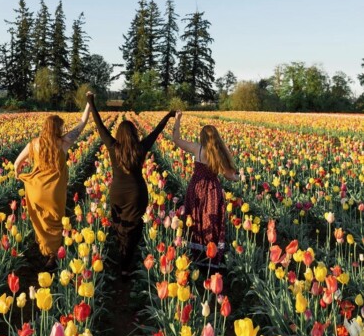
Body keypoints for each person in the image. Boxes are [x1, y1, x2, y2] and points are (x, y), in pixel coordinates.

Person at [86, 92, 175, 278]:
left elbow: (100, 125)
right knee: (134, 226)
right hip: (137, 192)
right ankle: (128, 264)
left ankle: (121, 256)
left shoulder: (113, 147)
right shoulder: (140, 148)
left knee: (119, 225)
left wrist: (91, 101)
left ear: (119, 134)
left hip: (118, 192)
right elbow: (157, 131)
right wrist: (168, 115)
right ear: (134, 134)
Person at [14, 103, 91, 269]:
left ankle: (42, 246)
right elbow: (82, 123)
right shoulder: (64, 143)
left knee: (40, 218)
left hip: (36, 189)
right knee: (56, 223)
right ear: (57, 129)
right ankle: (53, 255)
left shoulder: (33, 144)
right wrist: (89, 104)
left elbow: (17, 164)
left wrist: (18, 174)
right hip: (55, 191)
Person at [172, 111, 239, 267]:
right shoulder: (219, 155)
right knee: (211, 219)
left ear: (202, 137)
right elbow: (229, 176)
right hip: (212, 190)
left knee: (195, 218)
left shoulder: (197, 149)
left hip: (196, 188)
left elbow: (176, 139)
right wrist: (237, 178)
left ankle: (195, 254)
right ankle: (211, 254)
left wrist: (177, 120)